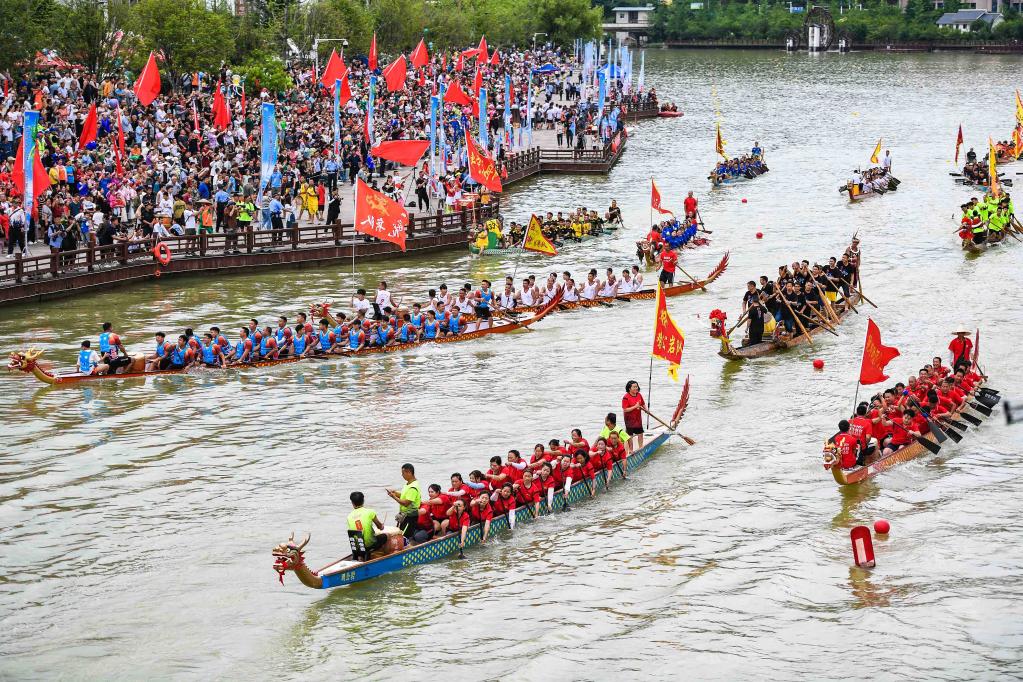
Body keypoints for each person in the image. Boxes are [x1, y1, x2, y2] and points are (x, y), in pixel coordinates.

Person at [386, 463, 423, 540]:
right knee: (401, 533)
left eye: (403, 473)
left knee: (404, 537)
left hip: (410, 517)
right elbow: (404, 495)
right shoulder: (408, 484)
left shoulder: (413, 487)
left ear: (409, 472)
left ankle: (408, 549)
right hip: (405, 516)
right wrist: (395, 493)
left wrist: (394, 497)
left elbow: (406, 503)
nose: (402, 475)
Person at [347, 491, 387, 558]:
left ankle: (363, 555)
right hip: (369, 545)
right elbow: (380, 527)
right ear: (363, 501)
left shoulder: (349, 516)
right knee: (385, 536)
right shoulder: (370, 512)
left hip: (357, 547)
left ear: (352, 503)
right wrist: (382, 526)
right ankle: (381, 556)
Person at [622, 380, 646, 449]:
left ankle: (641, 448)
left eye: (637, 386)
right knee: (629, 436)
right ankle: (630, 451)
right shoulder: (626, 397)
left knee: (640, 434)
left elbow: (643, 403)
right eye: (634, 387)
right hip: (629, 420)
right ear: (629, 388)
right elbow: (625, 409)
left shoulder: (639, 394)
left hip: (638, 419)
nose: (636, 388)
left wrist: (646, 410)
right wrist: (635, 407)